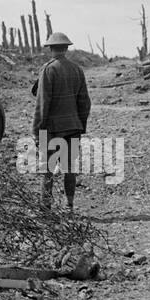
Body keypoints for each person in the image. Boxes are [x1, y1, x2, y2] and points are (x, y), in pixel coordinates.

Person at [31, 30, 90, 210]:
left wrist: (36, 130)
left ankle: (45, 208)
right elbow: (85, 102)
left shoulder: (49, 69)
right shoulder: (77, 69)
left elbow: (42, 103)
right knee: (69, 168)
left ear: (51, 49)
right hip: (73, 127)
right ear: (66, 48)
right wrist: (80, 125)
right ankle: (69, 205)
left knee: (48, 170)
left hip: (52, 129)